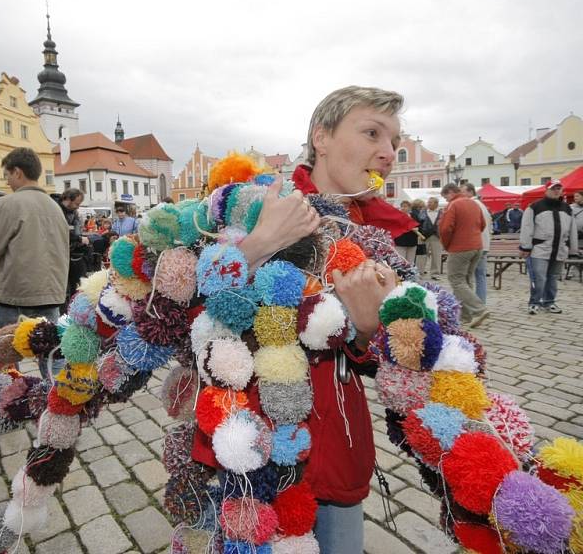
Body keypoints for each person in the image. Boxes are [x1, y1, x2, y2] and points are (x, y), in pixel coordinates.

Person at [202, 86, 415, 554]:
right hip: (254, 440)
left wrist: (365, 327)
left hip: (338, 444)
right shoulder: (261, 204)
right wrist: (258, 245)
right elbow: (196, 315)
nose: (387, 152)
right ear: (321, 137)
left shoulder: (377, 237)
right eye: (372, 133)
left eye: (395, 142)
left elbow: (395, 356)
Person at [0, 148, 69, 377]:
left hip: (16, 297)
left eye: (7, 175)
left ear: (17, 172)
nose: (7, 181)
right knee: (52, 359)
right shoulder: (54, 206)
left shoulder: (9, 204)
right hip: (50, 296)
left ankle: (13, 406)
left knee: (7, 360)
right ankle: (62, 406)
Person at [519, 180, 579, 314]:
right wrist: (525, 247)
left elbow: (572, 230)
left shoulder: (567, 208)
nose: (556, 191)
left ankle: (549, 302)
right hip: (540, 249)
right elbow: (527, 228)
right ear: (546, 190)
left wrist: (573, 249)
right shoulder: (535, 207)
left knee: (552, 278)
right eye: (553, 188)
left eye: (558, 188)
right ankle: (534, 302)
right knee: (539, 278)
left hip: (559, 249)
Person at [439, 183, 489, 327]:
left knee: (456, 280)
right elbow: (482, 225)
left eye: (446, 197)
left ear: (450, 193)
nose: (447, 201)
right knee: (466, 280)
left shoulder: (453, 205)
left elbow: (445, 229)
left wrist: (447, 245)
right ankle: (465, 316)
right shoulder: (474, 204)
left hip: (460, 247)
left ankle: (479, 310)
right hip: (477, 246)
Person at [460, 183, 492, 303]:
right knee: (480, 276)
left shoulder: (471, 204)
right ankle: (481, 302)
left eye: (462, 192)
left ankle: (469, 304)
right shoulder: (482, 205)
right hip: (483, 245)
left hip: (473, 245)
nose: (460, 195)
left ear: (470, 192)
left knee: (466, 276)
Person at [58, 188, 90, 307]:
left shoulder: (73, 213)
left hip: (73, 254)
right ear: (67, 199)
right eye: (76, 203)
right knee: (63, 288)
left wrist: (80, 238)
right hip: (59, 256)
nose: (78, 207)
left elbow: (75, 231)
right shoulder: (56, 210)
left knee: (76, 285)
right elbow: (60, 231)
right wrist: (79, 238)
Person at [420, 196, 443, 279]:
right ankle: (420, 272)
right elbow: (419, 223)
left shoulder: (442, 213)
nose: (428, 204)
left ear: (436, 204)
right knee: (422, 255)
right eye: (428, 202)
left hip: (437, 236)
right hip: (424, 236)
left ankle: (435, 274)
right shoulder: (423, 212)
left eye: (430, 202)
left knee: (436, 256)